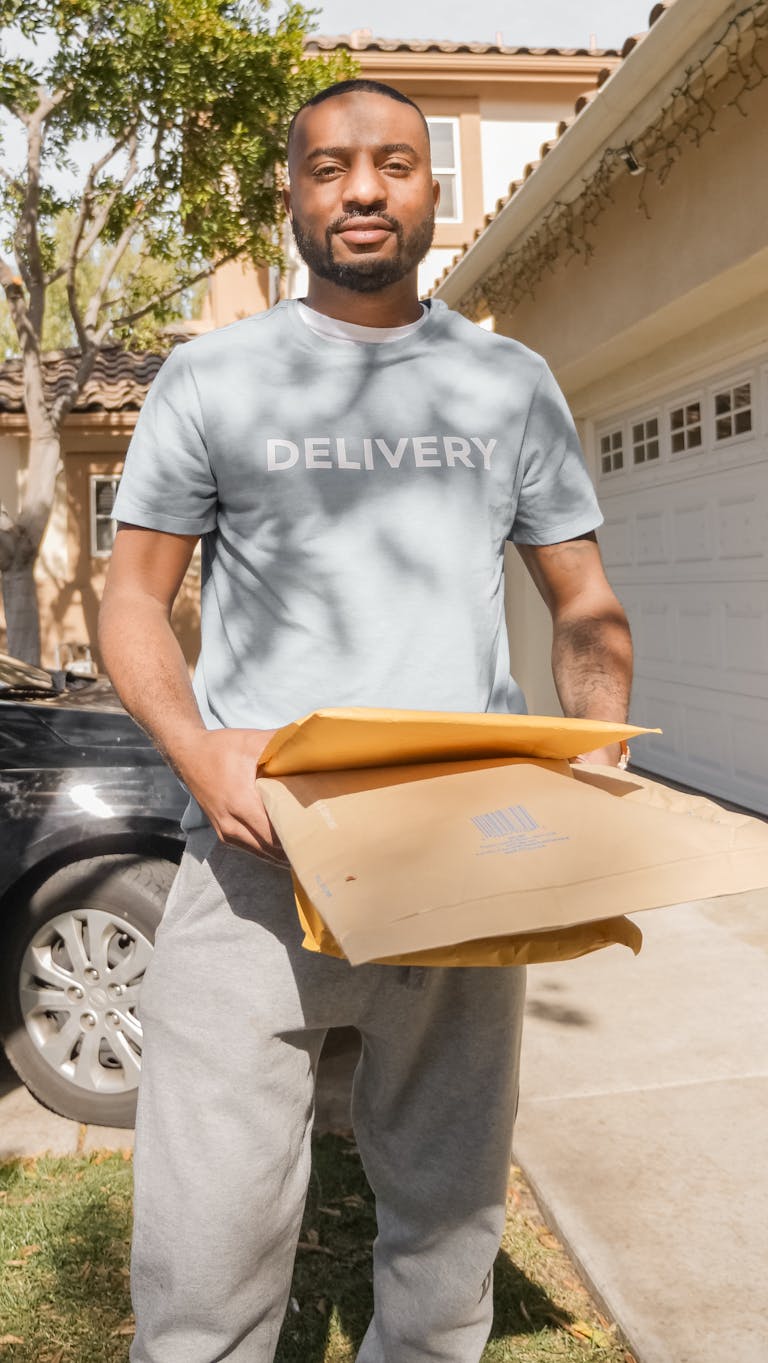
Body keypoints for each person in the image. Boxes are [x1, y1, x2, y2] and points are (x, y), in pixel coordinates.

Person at [100, 77, 632, 1363]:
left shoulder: (508, 383)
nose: (362, 189)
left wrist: (596, 756)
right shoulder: (211, 376)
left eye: (394, 163)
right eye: (331, 166)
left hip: (461, 853)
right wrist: (194, 746)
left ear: (430, 193)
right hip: (252, 858)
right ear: (290, 191)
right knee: (203, 1241)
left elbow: (584, 602)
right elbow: (131, 597)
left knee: (446, 1234)